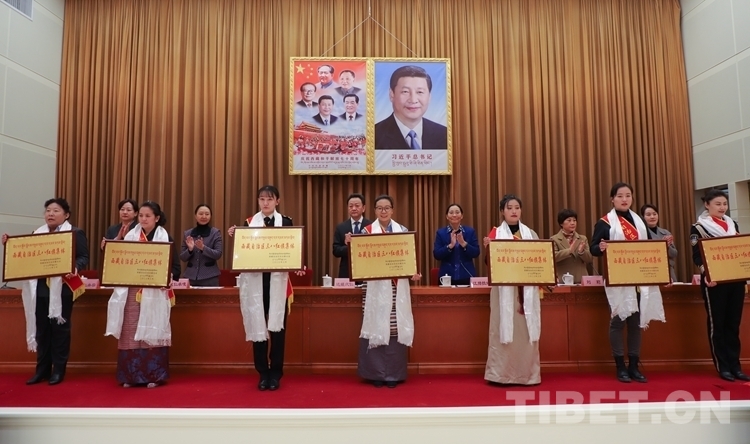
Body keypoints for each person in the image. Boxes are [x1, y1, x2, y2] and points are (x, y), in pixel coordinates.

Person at [2, 198, 89, 385]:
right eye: (48, 210)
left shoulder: (75, 233)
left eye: (56, 210)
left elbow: (83, 256)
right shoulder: (37, 234)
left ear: (66, 215)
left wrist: (74, 267)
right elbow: (27, 257)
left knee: (60, 330)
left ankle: (58, 371)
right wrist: (10, 245)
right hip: (40, 288)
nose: (50, 214)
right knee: (42, 330)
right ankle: (42, 370)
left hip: (63, 288)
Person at [228, 185, 305, 391]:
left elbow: (292, 248)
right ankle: (262, 372)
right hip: (256, 282)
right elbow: (244, 252)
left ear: (277, 201)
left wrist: (297, 264)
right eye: (262, 199)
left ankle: (276, 372)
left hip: (277, 282)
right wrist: (236, 237)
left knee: (278, 329)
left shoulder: (286, 222)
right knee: (258, 325)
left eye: (269, 199)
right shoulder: (248, 223)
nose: (265, 203)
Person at [590, 182, 665, 383]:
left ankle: (634, 365)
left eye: (628, 195)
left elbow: (649, 247)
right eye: (620, 196)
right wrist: (601, 247)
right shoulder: (605, 222)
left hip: (639, 277)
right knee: (618, 321)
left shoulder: (639, 221)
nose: (624, 199)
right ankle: (620, 366)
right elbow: (593, 248)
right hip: (618, 279)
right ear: (612, 199)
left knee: (635, 322)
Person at [105, 201, 181, 388]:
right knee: (130, 331)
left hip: (155, 291)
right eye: (141, 216)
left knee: (152, 329)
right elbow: (118, 262)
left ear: (157, 218)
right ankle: (130, 376)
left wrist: (166, 276)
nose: (144, 219)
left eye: (148, 216)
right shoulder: (130, 236)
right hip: (132, 291)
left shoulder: (165, 237)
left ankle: (153, 375)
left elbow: (176, 268)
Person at [353, 194, 421, 388]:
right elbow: (360, 260)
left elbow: (409, 259)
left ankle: (393, 374)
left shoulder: (403, 231)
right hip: (374, 287)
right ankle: (375, 373)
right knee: (376, 322)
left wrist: (413, 272)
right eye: (379, 208)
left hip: (396, 286)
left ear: (392, 210)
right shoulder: (366, 232)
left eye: (387, 208)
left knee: (393, 326)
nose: (383, 211)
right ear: (374, 211)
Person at [482, 194, 541, 385]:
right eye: (509, 208)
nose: (514, 211)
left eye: (517, 207)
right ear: (502, 211)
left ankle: (528, 375)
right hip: (503, 291)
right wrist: (488, 249)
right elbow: (489, 264)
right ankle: (500, 374)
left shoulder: (530, 234)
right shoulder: (495, 234)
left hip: (526, 291)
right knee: (501, 329)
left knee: (525, 331)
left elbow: (540, 260)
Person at [690, 189, 749, 382]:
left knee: (733, 324)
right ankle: (723, 366)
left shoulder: (732, 224)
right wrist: (706, 272)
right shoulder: (699, 228)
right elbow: (697, 256)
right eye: (718, 204)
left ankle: (735, 366)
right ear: (707, 205)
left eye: (724, 204)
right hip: (714, 282)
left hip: (735, 281)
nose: (722, 207)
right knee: (718, 325)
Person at [374, 65, 447, 150]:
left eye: (420, 92)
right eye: (405, 91)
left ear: (429, 96)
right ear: (391, 94)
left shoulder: (444, 134)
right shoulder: (374, 135)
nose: (413, 100)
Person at [432, 203, 480, 286]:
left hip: (466, 275)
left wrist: (464, 244)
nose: (454, 215)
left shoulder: (470, 231)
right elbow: (437, 255)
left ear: (462, 216)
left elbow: (476, 252)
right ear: (447, 216)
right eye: (451, 213)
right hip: (446, 277)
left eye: (457, 212)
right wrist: (450, 246)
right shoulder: (441, 233)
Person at [179, 204, 223, 287]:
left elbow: (218, 254)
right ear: (195, 216)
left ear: (210, 216)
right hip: (190, 276)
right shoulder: (188, 233)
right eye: (201, 214)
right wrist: (190, 250)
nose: (204, 216)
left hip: (210, 277)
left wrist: (203, 248)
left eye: (207, 214)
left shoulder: (215, 233)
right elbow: (182, 257)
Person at [332, 193, 371, 279]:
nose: (354, 208)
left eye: (357, 206)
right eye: (351, 206)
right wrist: (348, 246)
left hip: (367, 270)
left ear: (363, 208)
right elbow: (336, 251)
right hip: (346, 272)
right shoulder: (341, 227)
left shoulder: (371, 226)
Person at [550, 209, 593, 284]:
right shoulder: (554, 239)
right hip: (563, 280)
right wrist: (569, 251)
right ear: (561, 223)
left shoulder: (582, 238)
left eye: (574, 220)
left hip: (581, 280)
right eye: (569, 220)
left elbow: (589, 259)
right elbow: (553, 257)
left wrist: (581, 252)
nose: (572, 223)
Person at [640, 204, 678, 282]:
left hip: (668, 269)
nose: (652, 217)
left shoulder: (665, 233)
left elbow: (674, 254)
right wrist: (661, 246)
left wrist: (667, 246)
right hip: (649, 270)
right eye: (648, 215)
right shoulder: (641, 233)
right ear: (643, 217)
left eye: (654, 214)